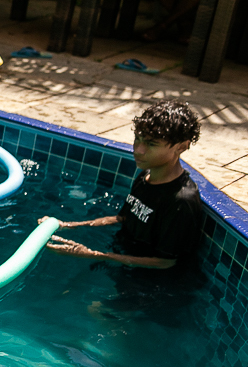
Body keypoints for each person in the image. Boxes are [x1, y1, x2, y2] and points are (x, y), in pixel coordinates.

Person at [40, 101, 202, 270]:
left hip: (148, 281)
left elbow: (166, 262)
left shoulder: (181, 200)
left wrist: (91, 254)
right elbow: (123, 218)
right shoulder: (146, 176)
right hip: (123, 257)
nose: (138, 150)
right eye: (137, 139)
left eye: (151, 144)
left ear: (181, 147)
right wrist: (67, 225)